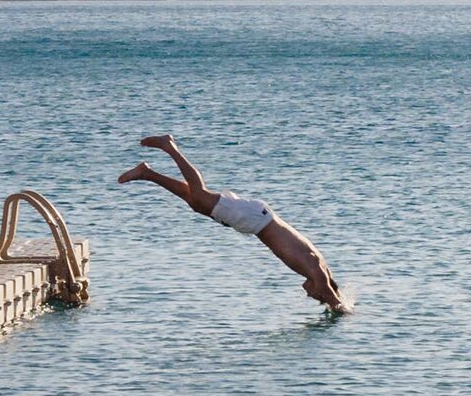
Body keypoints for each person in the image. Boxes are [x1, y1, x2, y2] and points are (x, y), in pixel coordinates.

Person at [116, 133, 352, 314]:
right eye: (316, 296)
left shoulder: (317, 266)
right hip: (256, 220)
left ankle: (147, 173)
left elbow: (329, 289)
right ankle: (170, 147)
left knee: (198, 204)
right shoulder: (316, 270)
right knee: (199, 195)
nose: (310, 296)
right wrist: (339, 308)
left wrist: (333, 298)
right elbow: (332, 295)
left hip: (256, 220)